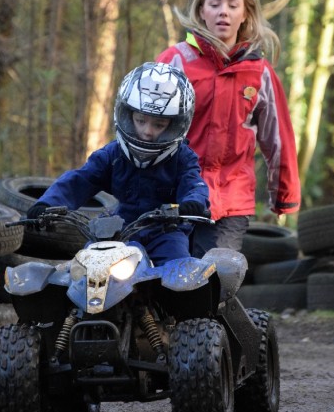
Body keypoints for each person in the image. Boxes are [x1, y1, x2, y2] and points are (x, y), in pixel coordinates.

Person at [156, 0, 301, 256]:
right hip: (171, 194)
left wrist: (284, 197)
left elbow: (278, 139)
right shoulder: (173, 61)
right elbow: (141, 127)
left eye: (233, 5)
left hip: (230, 201)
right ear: (201, 11)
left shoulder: (260, 72)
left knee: (215, 283)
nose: (224, 11)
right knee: (166, 279)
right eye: (215, 4)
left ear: (245, 14)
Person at [28, 61, 209, 266]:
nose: (148, 131)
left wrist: (193, 203)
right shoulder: (112, 154)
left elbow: (194, 184)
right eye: (141, 121)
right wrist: (46, 204)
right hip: (118, 231)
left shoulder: (183, 158)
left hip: (166, 233)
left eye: (159, 125)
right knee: (85, 267)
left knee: (180, 272)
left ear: (176, 124)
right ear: (127, 115)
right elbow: (80, 179)